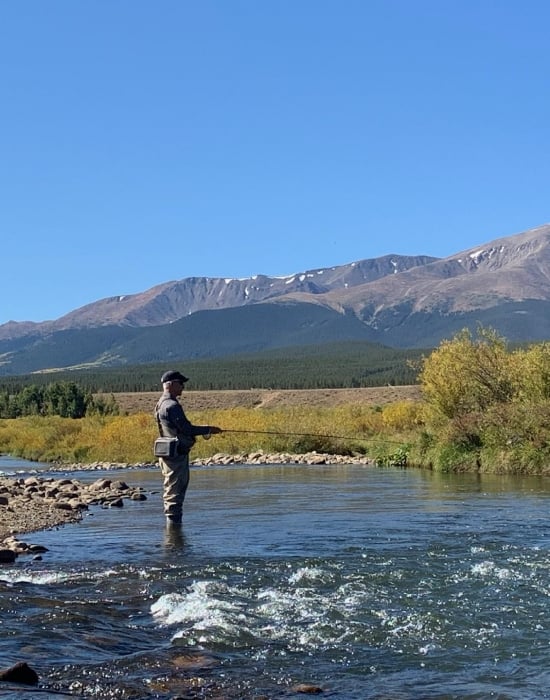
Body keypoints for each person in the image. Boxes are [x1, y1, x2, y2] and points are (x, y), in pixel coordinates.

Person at [155, 370, 222, 526]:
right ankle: (173, 532)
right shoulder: (171, 406)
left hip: (167, 452)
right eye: (180, 383)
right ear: (170, 385)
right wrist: (208, 429)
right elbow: (187, 429)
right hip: (176, 455)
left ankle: (173, 530)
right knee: (175, 491)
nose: (183, 387)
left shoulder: (160, 403)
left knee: (170, 488)